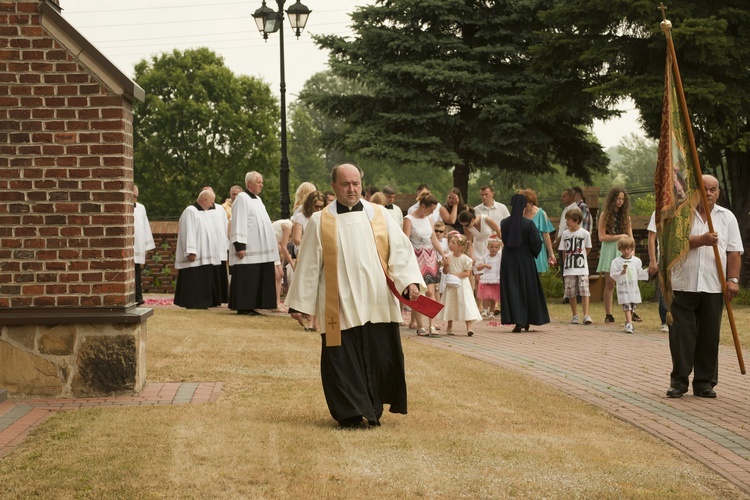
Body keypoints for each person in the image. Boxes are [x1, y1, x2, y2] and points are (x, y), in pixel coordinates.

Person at [285, 163, 425, 428]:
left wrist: (409, 282)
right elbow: (309, 265)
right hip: (341, 303)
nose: (352, 189)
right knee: (342, 360)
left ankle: (373, 408)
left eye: (356, 183)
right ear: (335, 186)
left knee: (380, 357)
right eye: (346, 184)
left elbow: (401, 250)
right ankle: (349, 413)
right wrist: (300, 304)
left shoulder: (380, 214)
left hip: (377, 300)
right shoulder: (320, 220)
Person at [666, 175, 743, 399]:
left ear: (718, 193)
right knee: (682, 334)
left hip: (713, 285)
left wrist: (733, 280)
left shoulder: (727, 217)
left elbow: (734, 251)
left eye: (713, 189)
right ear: (694, 191)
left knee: (709, 336)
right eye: (703, 189)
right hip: (683, 284)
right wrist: (702, 240)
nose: (708, 193)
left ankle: (704, 383)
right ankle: (679, 381)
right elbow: (673, 244)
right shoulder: (681, 215)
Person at [228, 171, 280, 315]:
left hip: (260, 249)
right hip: (249, 249)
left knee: (258, 276)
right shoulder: (242, 198)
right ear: (249, 183)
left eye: (262, 182)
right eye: (259, 182)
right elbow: (239, 221)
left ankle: (255, 304)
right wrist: (240, 245)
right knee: (248, 278)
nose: (262, 185)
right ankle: (245, 306)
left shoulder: (257, 199)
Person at [499, 194, 550, 332]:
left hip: (508, 260)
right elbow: (536, 243)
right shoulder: (528, 224)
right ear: (523, 206)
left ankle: (517, 320)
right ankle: (526, 319)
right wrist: (532, 252)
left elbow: (504, 239)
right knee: (526, 288)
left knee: (512, 289)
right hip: (525, 260)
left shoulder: (504, 223)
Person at [403, 192, 446, 336]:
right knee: (418, 292)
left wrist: (442, 253)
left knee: (431, 292)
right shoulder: (409, 219)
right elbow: (405, 241)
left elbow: (433, 238)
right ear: (422, 206)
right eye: (430, 209)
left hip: (430, 258)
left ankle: (432, 325)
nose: (432, 212)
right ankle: (420, 325)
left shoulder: (428, 218)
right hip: (416, 258)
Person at [174, 189, 223, 309]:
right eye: (211, 202)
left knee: (203, 278)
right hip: (195, 255)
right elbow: (188, 231)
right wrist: (191, 250)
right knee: (194, 279)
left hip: (205, 254)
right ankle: (193, 302)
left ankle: (203, 302)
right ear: (204, 200)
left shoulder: (204, 213)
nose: (212, 205)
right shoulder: (190, 211)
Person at [596, 187, 634, 324]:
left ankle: (631, 311)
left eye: (623, 199)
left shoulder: (626, 217)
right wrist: (619, 236)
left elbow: (631, 236)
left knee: (627, 282)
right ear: (612, 199)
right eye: (618, 199)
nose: (620, 202)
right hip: (610, 249)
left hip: (624, 249)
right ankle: (609, 314)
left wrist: (632, 250)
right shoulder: (605, 215)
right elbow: (601, 236)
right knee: (610, 283)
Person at [438, 233, 483, 336]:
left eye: (453, 243)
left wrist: (454, 275)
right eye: (450, 242)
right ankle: (449, 326)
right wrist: (447, 265)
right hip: (451, 285)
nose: (450, 244)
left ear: (460, 247)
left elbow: (467, 273)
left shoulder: (466, 259)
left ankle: (469, 328)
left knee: (465, 303)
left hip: (462, 285)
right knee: (451, 303)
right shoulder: (448, 257)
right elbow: (445, 271)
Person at [558, 208, 593, 325]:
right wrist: (566, 263)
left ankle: (586, 315)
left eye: (568, 220)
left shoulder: (585, 233)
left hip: (581, 267)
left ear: (576, 220)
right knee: (571, 292)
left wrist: (581, 257)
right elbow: (563, 251)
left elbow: (588, 248)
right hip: (569, 268)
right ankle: (575, 315)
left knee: (584, 291)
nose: (567, 222)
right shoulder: (565, 234)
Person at [610, 236, 648, 334]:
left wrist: (648, 271)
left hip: (633, 287)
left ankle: (628, 321)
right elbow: (613, 273)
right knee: (626, 305)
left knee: (632, 306)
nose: (626, 251)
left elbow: (639, 273)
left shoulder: (636, 261)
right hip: (623, 286)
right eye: (624, 249)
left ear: (632, 249)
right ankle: (630, 324)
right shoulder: (616, 261)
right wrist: (620, 273)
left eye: (628, 249)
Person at [518, 189, 557, 273]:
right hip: (522, 249)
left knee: (537, 274)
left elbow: (546, 235)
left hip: (537, 248)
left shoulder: (541, 214)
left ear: (531, 202)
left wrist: (551, 253)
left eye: (525, 204)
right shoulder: (518, 214)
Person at [647, 211, 669, 332]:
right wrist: (653, 260)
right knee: (664, 289)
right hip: (664, 257)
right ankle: (665, 320)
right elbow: (651, 236)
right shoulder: (658, 212)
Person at [133, 185, 155, 306]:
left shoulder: (141, 208)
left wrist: (145, 247)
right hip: (130, 247)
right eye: (133, 196)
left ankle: (138, 297)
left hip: (138, 246)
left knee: (137, 273)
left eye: (137, 196)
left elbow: (145, 227)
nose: (135, 199)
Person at [476, 235, 502, 318]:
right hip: (487, 278)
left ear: (499, 248)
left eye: (496, 247)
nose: (493, 249)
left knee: (494, 296)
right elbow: (478, 267)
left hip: (496, 278)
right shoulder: (485, 257)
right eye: (491, 247)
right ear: (488, 247)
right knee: (486, 295)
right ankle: (484, 309)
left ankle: (491, 311)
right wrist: (484, 265)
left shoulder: (500, 257)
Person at [272, 218, 294, 312]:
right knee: (277, 274)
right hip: (270, 247)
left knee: (280, 274)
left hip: (273, 247)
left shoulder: (289, 227)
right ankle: (275, 304)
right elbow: (284, 248)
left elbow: (281, 246)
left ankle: (277, 303)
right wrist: (292, 264)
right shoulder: (288, 226)